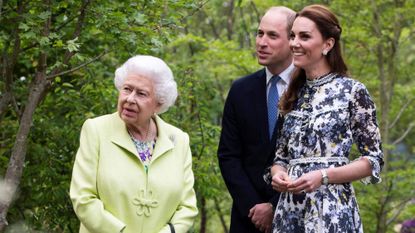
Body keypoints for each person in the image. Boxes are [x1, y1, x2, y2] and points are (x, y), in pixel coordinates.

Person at [267, 4, 384, 232]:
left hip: (332, 211)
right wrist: (278, 175)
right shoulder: (291, 94)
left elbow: (373, 160)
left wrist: (323, 176)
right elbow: (280, 158)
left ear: (328, 44)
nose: (294, 43)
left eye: (304, 36)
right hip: (289, 214)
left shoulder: (352, 91)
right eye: (292, 36)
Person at [69, 55, 198, 233]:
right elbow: (83, 198)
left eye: (141, 93)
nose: (130, 99)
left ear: (158, 104)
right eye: (127, 89)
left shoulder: (178, 140)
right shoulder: (96, 130)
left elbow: (187, 207)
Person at [217, 6, 296, 233]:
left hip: (296, 215)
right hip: (247, 218)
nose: (262, 42)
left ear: (292, 41)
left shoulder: (310, 91)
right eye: (260, 33)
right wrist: (255, 208)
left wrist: (274, 206)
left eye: (272, 35)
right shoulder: (241, 89)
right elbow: (228, 155)